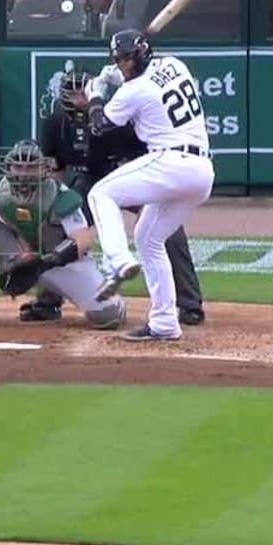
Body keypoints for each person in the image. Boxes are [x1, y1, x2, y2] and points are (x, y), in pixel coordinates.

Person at [28, 70, 206, 326]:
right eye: (73, 94)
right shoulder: (55, 123)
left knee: (169, 230)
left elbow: (148, 150)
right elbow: (56, 171)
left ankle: (189, 304)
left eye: (83, 92)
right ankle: (48, 302)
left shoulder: (114, 115)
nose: (79, 99)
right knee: (56, 227)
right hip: (88, 179)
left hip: (127, 173)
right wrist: (61, 207)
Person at [83, 30, 216, 342]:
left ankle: (118, 261)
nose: (124, 65)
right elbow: (150, 83)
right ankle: (164, 321)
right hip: (202, 172)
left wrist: (95, 95)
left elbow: (99, 126)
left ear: (140, 55)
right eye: (119, 60)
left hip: (171, 162)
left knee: (100, 193)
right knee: (148, 238)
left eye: (127, 59)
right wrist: (119, 77)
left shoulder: (133, 91)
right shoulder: (175, 64)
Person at [0, 139, 127, 331]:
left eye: (30, 168)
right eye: (18, 167)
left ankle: (53, 300)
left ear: (43, 169)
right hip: (26, 260)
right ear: (8, 168)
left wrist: (49, 260)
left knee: (107, 317)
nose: (23, 174)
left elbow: (84, 239)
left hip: (64, 264)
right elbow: (3, 230)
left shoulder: (60, 196)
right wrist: (17, 261)